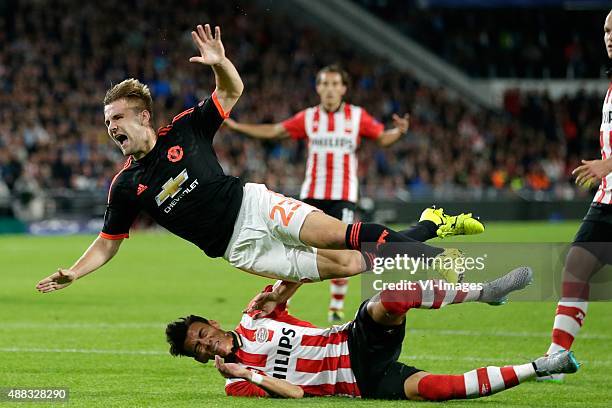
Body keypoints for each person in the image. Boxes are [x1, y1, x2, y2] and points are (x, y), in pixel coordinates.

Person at [35, 24, 468, 295]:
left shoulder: (185, 129)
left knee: (342, 235)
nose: (111, 128)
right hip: (240, 248)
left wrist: (220, 64)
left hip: (255, 204)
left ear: (143, 116)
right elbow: (108, 242)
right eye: (107, 122)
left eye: (117, 118)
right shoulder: (126, 185)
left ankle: (438, 259)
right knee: (352, 263)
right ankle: (426, 226)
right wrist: (75, 272)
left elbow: (231, 92)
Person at [225, 65, 483, 322]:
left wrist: (398, 132)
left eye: (335, 84)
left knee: (354, 254)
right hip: (311, 194)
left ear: (344, 89)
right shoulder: (309, 117)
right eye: (324, 84)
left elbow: (382, 138)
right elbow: (276, 131)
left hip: (343, 195)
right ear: (317, 88)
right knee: (299, 249)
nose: (329, 89)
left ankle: (334, 307)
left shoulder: (356, 116)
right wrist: (238, 128)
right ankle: (281, 304)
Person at [165, 266, 580, 400]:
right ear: (202, 359)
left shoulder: (254, 317)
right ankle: (542, 365)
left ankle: (486, 292)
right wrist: (244, 373)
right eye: (198, 349)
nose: (205, 343)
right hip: (362, 382)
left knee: (393, 298)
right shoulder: (236, 386)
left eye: (201, 333)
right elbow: (294, 394)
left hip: (351, 339)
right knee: (437, 390)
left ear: (212, 324)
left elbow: (297, 277)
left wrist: (279, 291)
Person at [541, 9, 612, 382]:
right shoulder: (611, 86)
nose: (609, 35)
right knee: (575, 268)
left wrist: (608, 164)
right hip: (607, 201)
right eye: (606, 29)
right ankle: (556, 359)